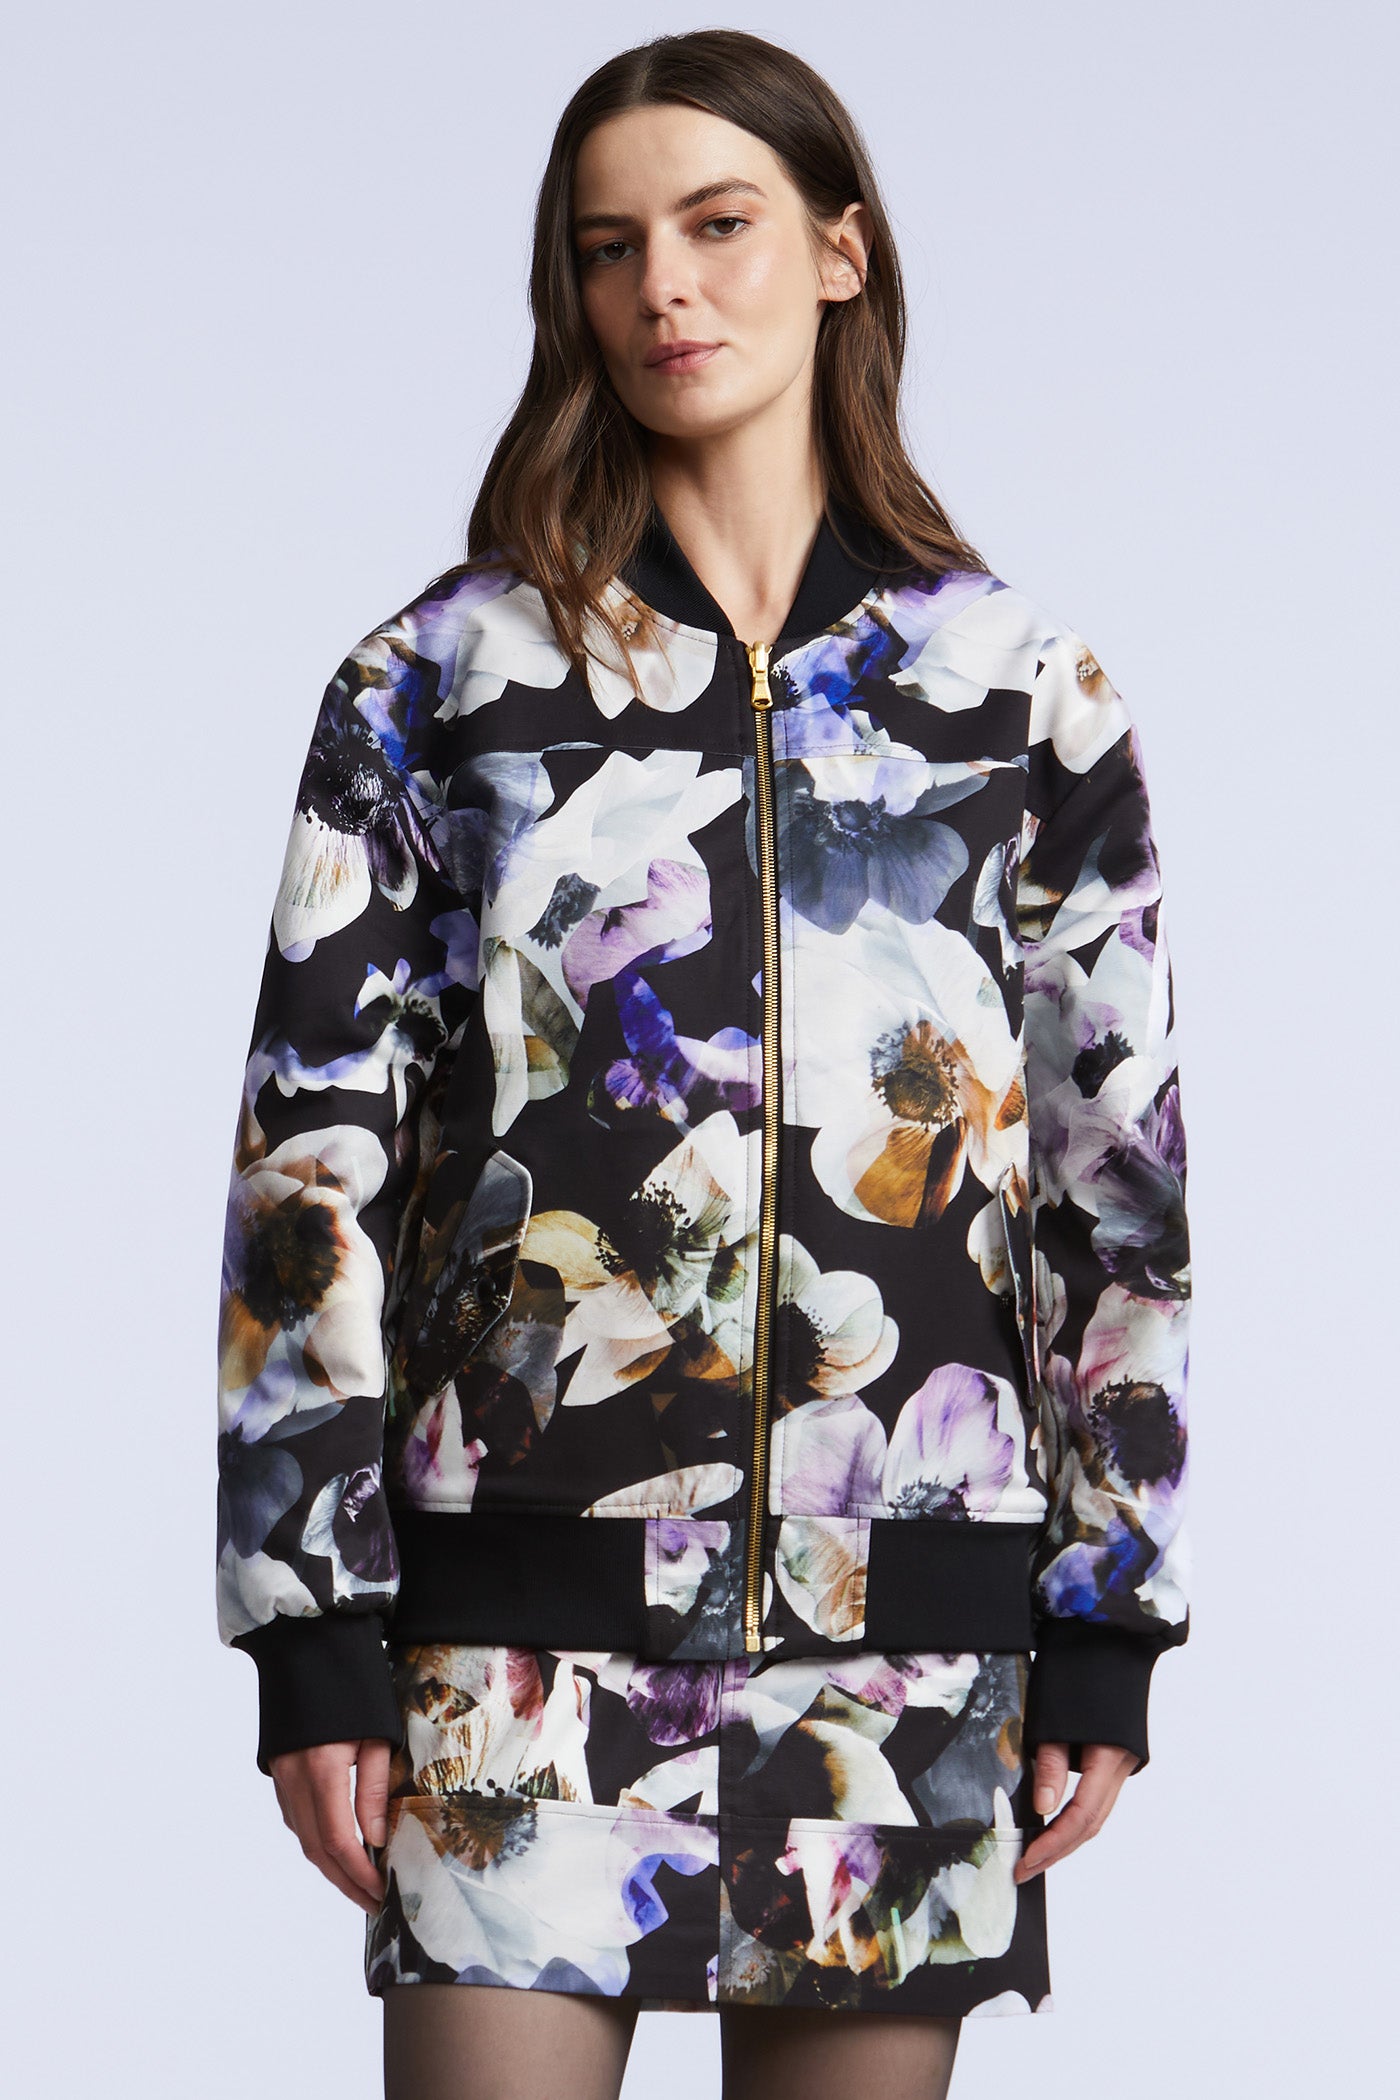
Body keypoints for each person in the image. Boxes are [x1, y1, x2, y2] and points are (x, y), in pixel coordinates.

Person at [215, 27, 1192, 2100]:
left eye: (719, 224)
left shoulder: (1018, 693)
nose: (663, 284)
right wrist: (313, 1625)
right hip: (509, 1639)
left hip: (903, 1649)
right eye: (609, 247)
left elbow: (1115, 1194)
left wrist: (1106, 1607)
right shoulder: (437, 688)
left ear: (841, 251)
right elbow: (310, 1175)